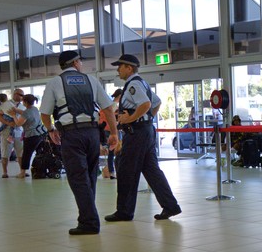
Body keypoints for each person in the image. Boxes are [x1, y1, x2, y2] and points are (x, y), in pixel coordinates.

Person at [40, 50, 118, 235]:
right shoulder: (91, 80)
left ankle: (89, 222)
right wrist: (114, 133)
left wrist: (51, 130)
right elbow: (108, 108)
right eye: (80, 61)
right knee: (90, 176)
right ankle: (87, 218)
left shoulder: (54, 83)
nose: (81, 64)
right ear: (75, 63)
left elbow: (44, 113)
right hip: (92, 133)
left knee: (77, 177)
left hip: (71, 134)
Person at [105, 54, 181, 222]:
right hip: (146, 131)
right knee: (152, 171)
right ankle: (170, 206)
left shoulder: (133, 85)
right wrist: (146, 119)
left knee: (125, 170)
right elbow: (157, 102)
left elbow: (146, 104)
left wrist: (130, 119)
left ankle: (124, 212)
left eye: (121, 66)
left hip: (137, 133)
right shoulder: (142, 83)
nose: (118, 69)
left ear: (129, 68)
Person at [8, 94, 43, 178]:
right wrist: (16, 110)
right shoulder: (34, 109)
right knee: (36, 152)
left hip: (31, 136)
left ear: (25, 102)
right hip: (40, 133)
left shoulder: (27, 112)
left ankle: (23, 172)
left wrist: (13, 115)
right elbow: (25, 113)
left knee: (26, 154)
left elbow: (18, 123)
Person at [0, 88, 25, 178]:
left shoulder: (23, 106)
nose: (22, 97)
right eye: (20, 95)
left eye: (22, 96)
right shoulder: (6, 104)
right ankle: (5, 172)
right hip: (6, 132)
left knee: (21, 152)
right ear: (15, 94)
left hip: (19, 131)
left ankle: (22, 171)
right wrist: (7, 123)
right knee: (5, 152)